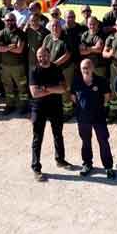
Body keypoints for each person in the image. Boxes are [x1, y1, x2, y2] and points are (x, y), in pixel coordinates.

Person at [29, 48, 73, 181]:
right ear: (37, 57)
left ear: (49, 55)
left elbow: (64, 88)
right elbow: (35, 93)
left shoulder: (56, 68)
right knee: (37, 138)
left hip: (55, 107)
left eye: (45, 55)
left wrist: (45, 89)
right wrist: (54, 90)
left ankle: (60, 159)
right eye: (40, 56)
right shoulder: (34, 70)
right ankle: (36, 168)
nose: (42, 58)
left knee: (58, 134)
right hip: (39, 108)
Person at [74, 59, 115, 179]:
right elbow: (73, 97)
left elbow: (107, 97)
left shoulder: (101, 81)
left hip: (99, 117)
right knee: (86, 142)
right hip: (83, 118)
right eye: (83, 68)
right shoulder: (76, 81)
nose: (85, 70)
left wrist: (95, 107)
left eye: (88, 67)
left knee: (103, 141)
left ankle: (108, 167)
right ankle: (87, 164)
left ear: (92, 68)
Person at [0, 13, 28, 115]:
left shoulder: (21, 33)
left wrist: (6, 48)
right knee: (7, 87)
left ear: (15, 21)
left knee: (22, 87)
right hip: (5, 66)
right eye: (7, 20)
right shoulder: (2, 33)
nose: (10, 22)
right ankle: (10, 105)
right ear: (5, 21)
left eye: (12, 20)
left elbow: (19, 50)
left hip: (18, 66)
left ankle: (23, 106)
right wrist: (11, 46)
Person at [43, 20, 74, 120]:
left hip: (65, 69)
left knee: (65, 90)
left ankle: (68, 111)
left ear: (61, 27)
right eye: (53, 26)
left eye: (57, 26)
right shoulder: (48, 38)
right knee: (53, 90)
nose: (55, 28)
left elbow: (67, 54)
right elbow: (43, 50)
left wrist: (54, 64)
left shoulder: (66, 38)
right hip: (51, 69)